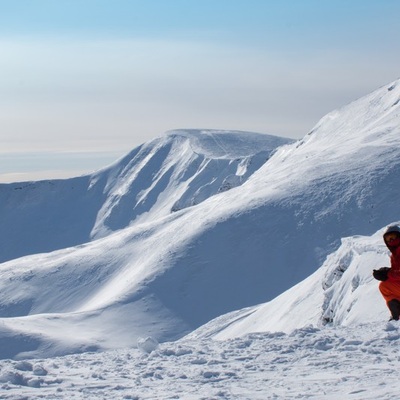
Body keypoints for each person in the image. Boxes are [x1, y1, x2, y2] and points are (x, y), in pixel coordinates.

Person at [373, 225, 400, 320]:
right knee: (384, 286)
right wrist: (386, 271)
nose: (391, 240)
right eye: (388, 239)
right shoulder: (394, 254)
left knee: (385, 286)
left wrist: (387, 274)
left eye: (393, 237)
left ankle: (397, 315)